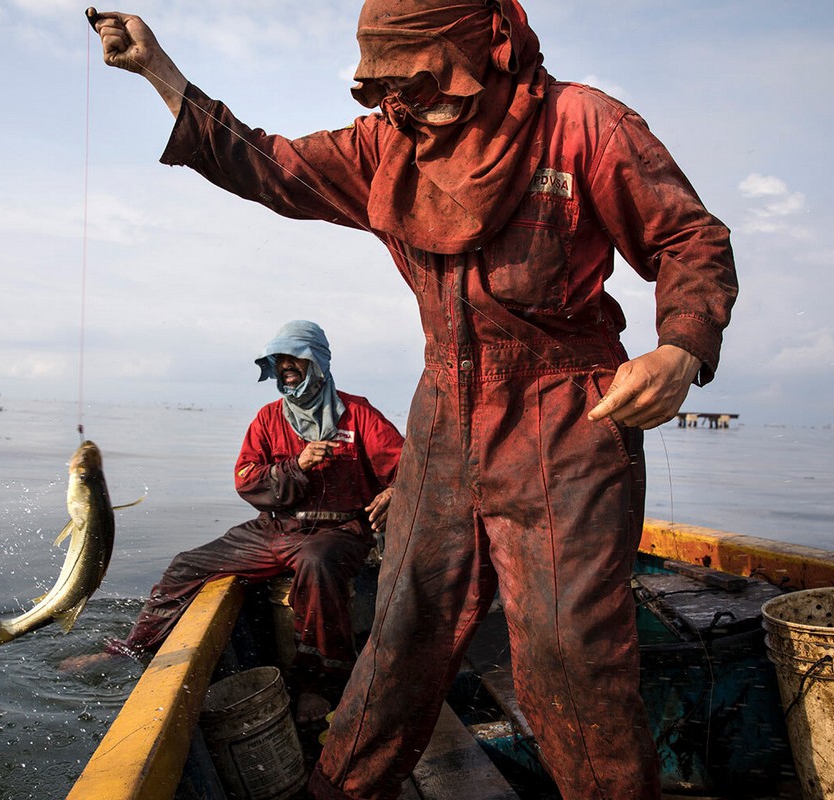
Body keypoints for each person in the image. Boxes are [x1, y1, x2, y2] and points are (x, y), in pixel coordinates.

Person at [88, 3, 738, 797]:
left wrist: (679, 349)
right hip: (443, 415)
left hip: (569, 416)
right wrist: (160, 71)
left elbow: (691, 239)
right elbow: (271, 164)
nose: (415, 103)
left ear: (484, 53)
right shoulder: (385, 145)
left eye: (431, 83)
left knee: (571, 656)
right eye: (396, 86)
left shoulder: (583, 123)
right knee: (401, 629)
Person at [62, 320, 404, 725]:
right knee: (185, 565)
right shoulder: (268, 418)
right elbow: (246, 480)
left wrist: (395, 491)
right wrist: (297, 466)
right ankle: (133, 646)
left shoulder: (359, 414)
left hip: (338, 532)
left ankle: (318, 684)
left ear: (318, 361)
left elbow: (409, 468)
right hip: (274, 528)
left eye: (294, 358)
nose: (286, 367)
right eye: (279, 360)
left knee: (317, 564)